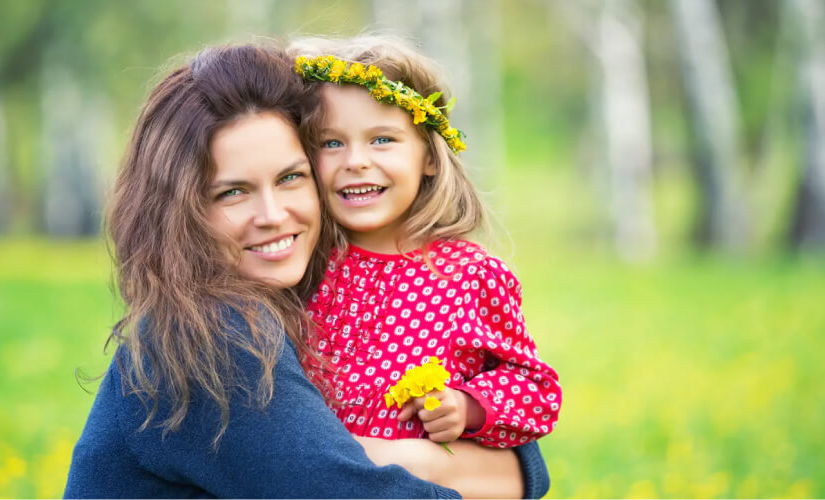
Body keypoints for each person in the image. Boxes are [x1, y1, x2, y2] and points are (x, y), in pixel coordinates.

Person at [64, 43, 549, 498]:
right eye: (231, 192)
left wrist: (469, 433)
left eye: (290, 177)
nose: (273, 214)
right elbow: (347, 487)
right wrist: (452, 464)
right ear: (180, 210)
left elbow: (521, 430)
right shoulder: (211, 335)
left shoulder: (302, 291)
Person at [289, 36, 562, 452]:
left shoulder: (469, 276)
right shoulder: (302, 264)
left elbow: (536, 390)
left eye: (382, 139)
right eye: (331, 143)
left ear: (429, 157)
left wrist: (467, 407)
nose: (356, 161)